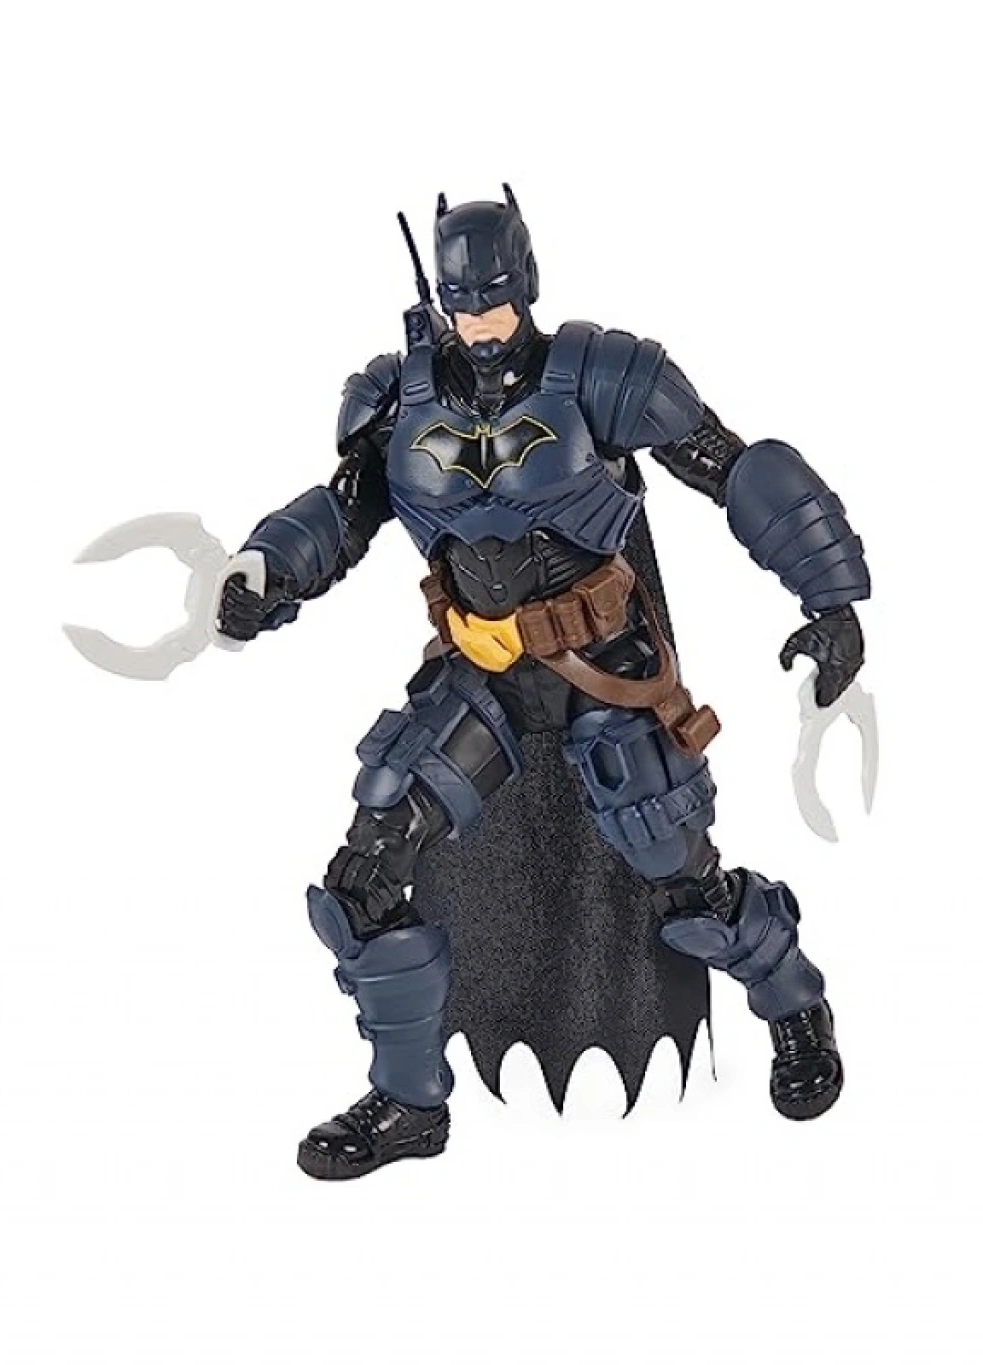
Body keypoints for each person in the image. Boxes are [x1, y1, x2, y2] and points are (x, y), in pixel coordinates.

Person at [217, 186, 870, 1181]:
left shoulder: (599, 375)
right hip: (479, 674)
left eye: (496, 301)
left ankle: (796, 1009)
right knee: (366, 873)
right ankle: (409, 1105)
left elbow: (726, 465)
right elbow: (345, 510)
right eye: (463, 305)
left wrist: (828, 598)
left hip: (605, 672)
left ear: (525, 286)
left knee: (682, 877)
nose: (482, 323)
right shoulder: (396, 398)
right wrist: (268, 570)